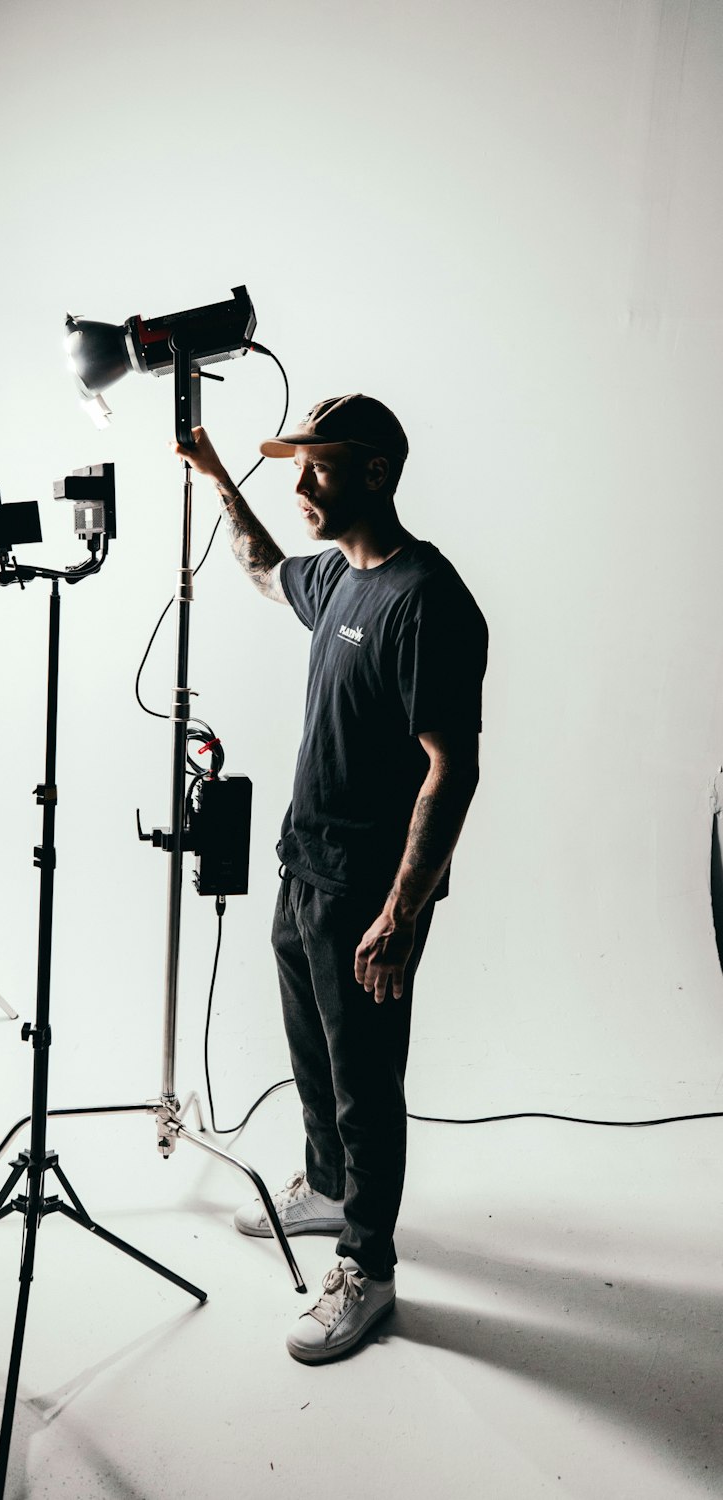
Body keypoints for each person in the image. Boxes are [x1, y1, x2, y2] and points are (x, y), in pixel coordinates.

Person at [175, 393, 488, 1364]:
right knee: (311, 1055)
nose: (299, 483)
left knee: (364, 1083)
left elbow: (454, 766)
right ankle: (328, 1184)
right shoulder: (335, 581)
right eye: (293, 466)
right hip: (300, 864)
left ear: (374, 472)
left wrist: (400, 911)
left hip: (367, 892)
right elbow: (266, 570)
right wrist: (220, 479)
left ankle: (370, 1266)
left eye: (317, 467)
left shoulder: (424, 598)